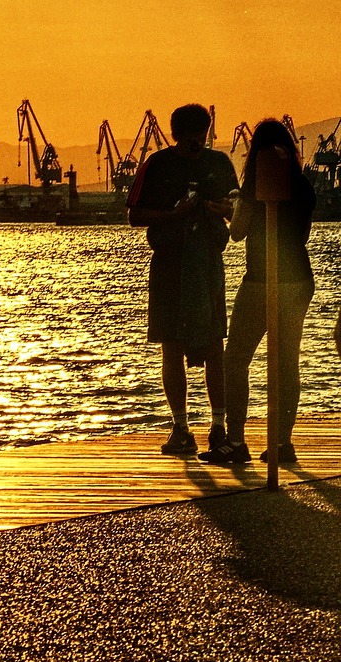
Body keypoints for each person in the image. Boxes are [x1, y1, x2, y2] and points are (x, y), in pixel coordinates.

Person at [201, 119, 316, 464]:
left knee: (235, 359)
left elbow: (237, 232)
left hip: (261, 281)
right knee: (287, 362)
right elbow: (301, 232)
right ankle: (282, 442)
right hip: (299, 279)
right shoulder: (304, 186)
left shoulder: (255, 184)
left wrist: (230, 210)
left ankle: (235, 441)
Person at [127, 104, 239, 455]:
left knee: (200, 343)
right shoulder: (161, 164)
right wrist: (174, 214)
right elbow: (135, 216)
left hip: (199, 263)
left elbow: (236, 210)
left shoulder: (212, 164)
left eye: (199, 138)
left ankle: (202, 427)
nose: (196, 143)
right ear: (180, 134)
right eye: (193, 137)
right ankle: (194, 427)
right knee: (183, 345)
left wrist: (222, 210)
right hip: (177, 263)